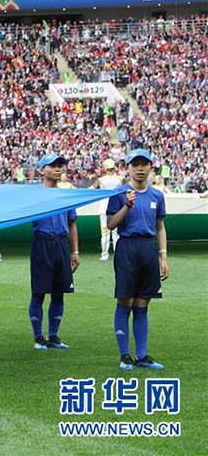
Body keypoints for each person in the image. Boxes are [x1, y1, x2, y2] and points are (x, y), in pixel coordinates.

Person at [106, 149, 168, 371]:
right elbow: (111, 224)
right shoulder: (119, 193)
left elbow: (160, 227)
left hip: (148, 249)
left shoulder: (157, 196)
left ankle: (142, 355)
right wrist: (127, 205)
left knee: (142, 303)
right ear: (128, 168)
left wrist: (163, 257)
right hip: (127, 249)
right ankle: (125, 355)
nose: (140, 169)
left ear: (151, 167)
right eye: (135, 164)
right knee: (125, 302)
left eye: (144, 164)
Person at [29, 154, 80, 351]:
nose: (58, 169)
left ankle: (53, 335)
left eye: (60, 166)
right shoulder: (35, 195)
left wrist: (75, 252)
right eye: (53, 165)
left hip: (61, 244)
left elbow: (72, 223)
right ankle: (38, 336)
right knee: (39, 292)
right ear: (43, 170)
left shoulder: (66, 195)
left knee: (59, 292)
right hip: (42, 243)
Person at [93, 159, 124, 261]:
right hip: (116, 206)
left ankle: (104, 254)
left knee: (105, 232)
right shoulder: (120, 179)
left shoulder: (101, 180)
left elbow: (91, 189)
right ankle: (117, 253)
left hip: (104, 206)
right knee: (116, 232)